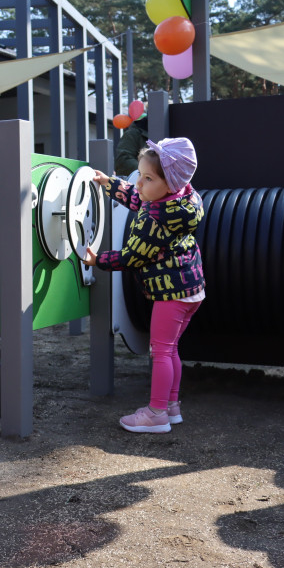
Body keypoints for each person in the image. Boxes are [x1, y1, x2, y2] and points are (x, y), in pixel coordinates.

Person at [83, 137, 205, 434]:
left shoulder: (154, 219)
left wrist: (98, 260)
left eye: (147, 177)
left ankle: (156, 414)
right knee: (171, 349)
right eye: (139, 175)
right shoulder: (179, 200)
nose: (139, 182)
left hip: (171, 293)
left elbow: (132, 257)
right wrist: (109, 183)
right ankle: (171, 406)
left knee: (160, 352)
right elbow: (138, 197)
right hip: (191, 289)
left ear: (169, 182)